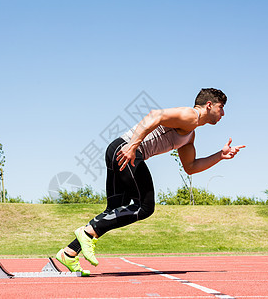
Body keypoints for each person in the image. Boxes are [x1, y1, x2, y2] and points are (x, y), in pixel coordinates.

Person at [55, 88, 245, 276]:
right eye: (221, 107)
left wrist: (220, 156)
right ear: (209, 105)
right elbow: (155, 115)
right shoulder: (190, 115)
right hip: (127, 151)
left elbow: (191, 167)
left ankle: (69, 253)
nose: (223, 113)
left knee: (115, 210)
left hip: (118, 150)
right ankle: (87, 233)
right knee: (144, 207)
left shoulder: (191, 133)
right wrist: (133, 145)